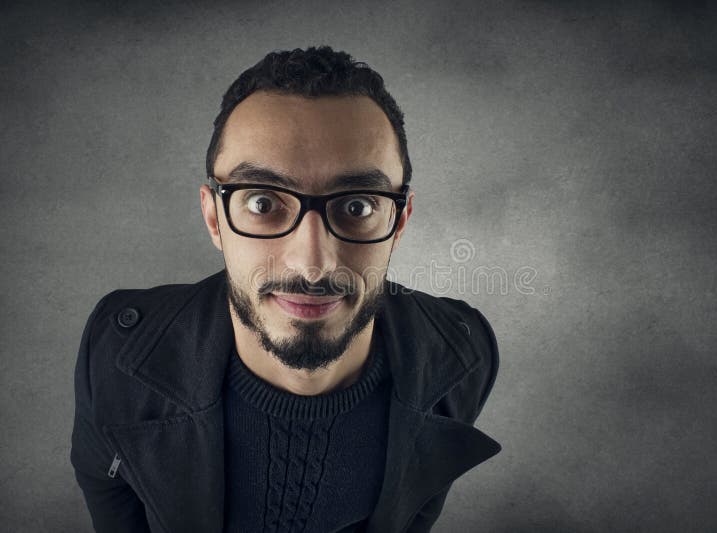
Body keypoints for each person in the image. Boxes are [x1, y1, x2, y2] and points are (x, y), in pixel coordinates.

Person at [70, 46, 501, 533]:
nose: (313, 265)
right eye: (262, 201)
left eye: (357, 205)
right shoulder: (114, 348)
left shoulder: (465, 352)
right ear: (214, 218)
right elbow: (106, 490)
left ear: (398, 221)